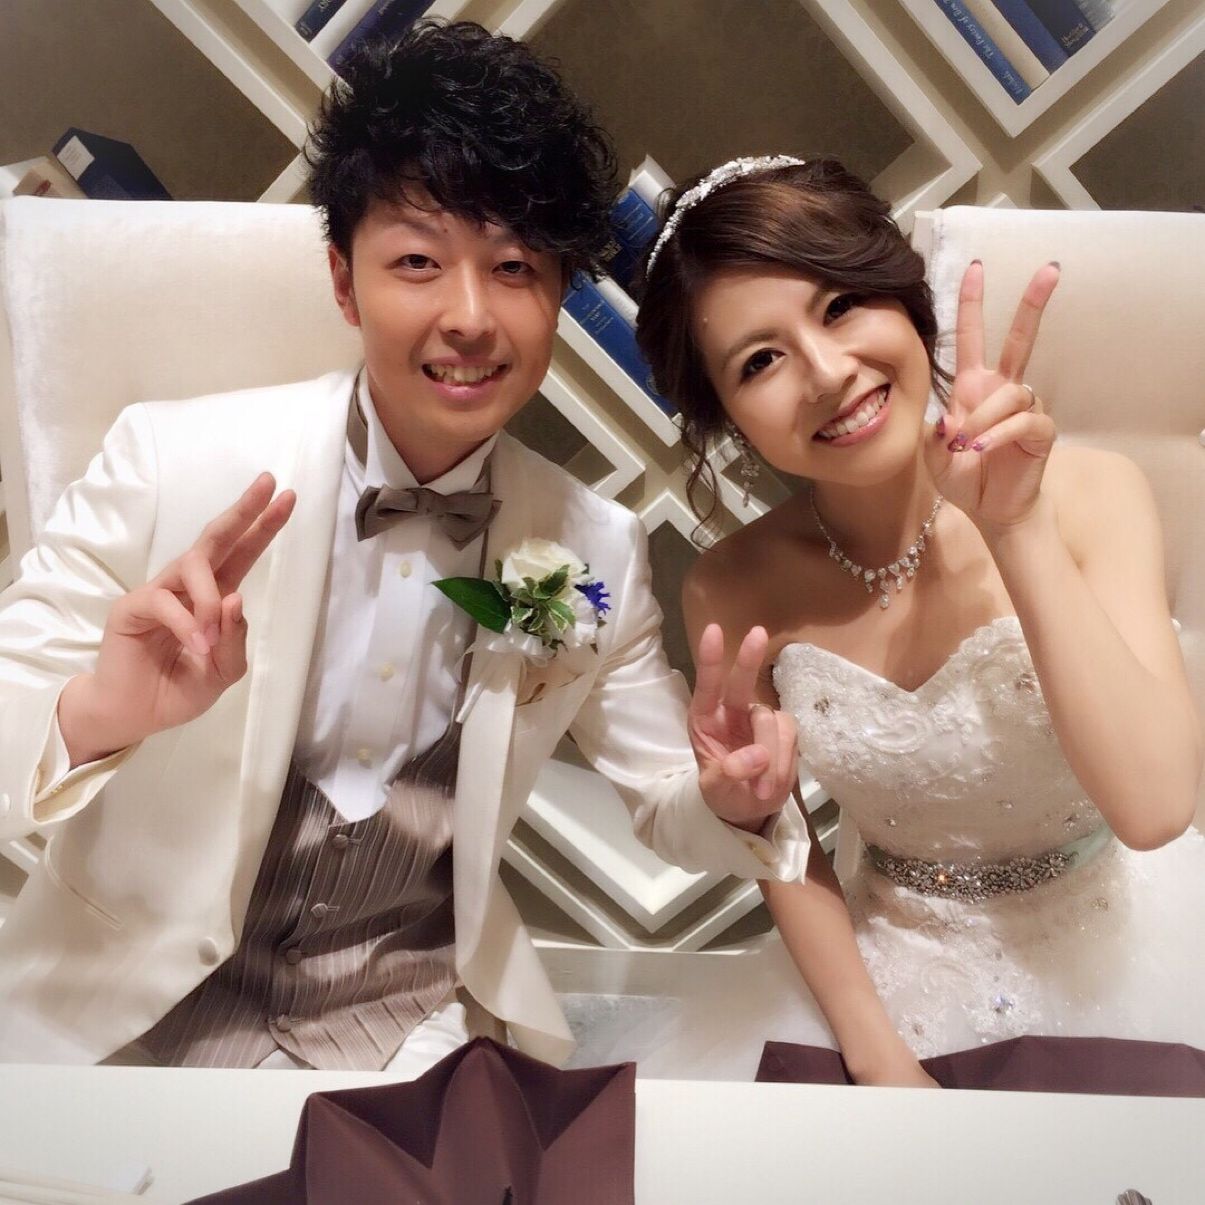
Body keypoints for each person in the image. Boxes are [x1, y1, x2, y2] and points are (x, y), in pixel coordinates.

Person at [0, 25, 809, 1071]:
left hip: (403, 1024)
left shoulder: (592, 547)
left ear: (559, 295)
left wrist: (734, 799)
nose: (469, 317)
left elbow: (667, 798)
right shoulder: (169, 461)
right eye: (418, 262)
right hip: (122, 1013)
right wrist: (99, 714)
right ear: (343, 281)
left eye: (513, 267)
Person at [634, 155, 1204, 1086]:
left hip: (1122, 952)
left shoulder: (1097, 493)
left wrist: (1015, 526)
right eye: (760, 360)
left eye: (840, 306)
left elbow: (1153, 810)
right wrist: (875, 1053)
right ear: (725, 414)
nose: (827, 373)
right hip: (885, 967)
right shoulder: (731, 588)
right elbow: (781, 845)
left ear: (903, 299)